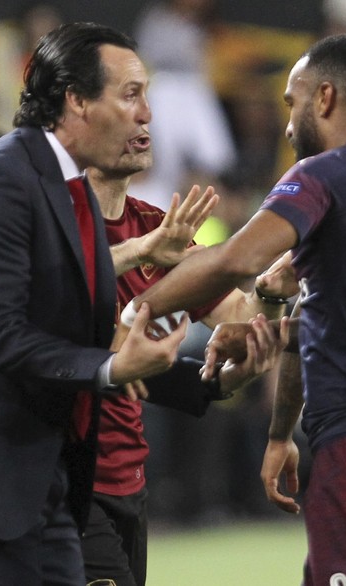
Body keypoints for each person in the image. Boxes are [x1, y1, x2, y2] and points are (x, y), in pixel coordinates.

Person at [123, 33, 346, 585]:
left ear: (324, 98)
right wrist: (282, 432)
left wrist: (132, 308)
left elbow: (237, 260)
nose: (287, 123)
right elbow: (330, 320)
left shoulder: (325, 174)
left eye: (292, 102)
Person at [0, 22, 192, 584]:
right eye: (130, 94)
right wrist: (112, 366)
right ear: (75, 99)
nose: (146, 112)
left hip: (41, 479)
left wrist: (207, 380)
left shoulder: (64, 189)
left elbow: (90, 341)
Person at [81, 155, 289, 585]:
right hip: (64, 474)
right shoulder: (48, 220)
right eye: (126, 96)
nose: (142, 114)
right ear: (77, 108)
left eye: (141, 94)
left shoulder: (157, 226)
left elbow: (241, 316)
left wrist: (268, 293)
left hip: (128, 474)